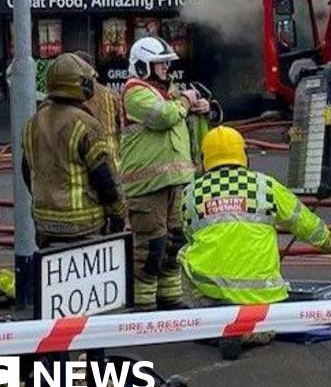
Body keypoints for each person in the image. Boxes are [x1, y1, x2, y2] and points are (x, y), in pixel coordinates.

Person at [179, 126, 331, 359]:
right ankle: (249, 332)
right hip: (262, 296)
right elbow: (303, 221)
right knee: (267, 325)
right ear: (244, 156)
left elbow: (188, 233)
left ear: (204, 160)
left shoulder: (190, 193)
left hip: (214, 290)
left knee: (186, 253)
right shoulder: (265, 186)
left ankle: (211, 323)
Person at [122, 36, 209, 311]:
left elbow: (181, 121)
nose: (165, 69)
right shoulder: (134, 92)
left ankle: (169, 297)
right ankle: (143, 304)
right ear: (143, 66)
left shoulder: (168, 94)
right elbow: (164, 117)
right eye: (159, 64)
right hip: (146, 187)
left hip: (176, 184)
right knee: (151, 247)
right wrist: (185, 101)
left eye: (165, 64)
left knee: (176, 242)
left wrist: (201, 111)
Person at [22, 53, 127, 249]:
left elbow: (27, 171)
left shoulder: (32, 123)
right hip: (84, 226)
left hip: (44, 225)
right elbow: (104, 177)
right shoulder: (86, 124)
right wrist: (118, 213)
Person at [74, 50, 123, 173]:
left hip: (85, 162)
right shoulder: (111, 95)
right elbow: (123, 127)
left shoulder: (73, 96)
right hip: (112, 160)